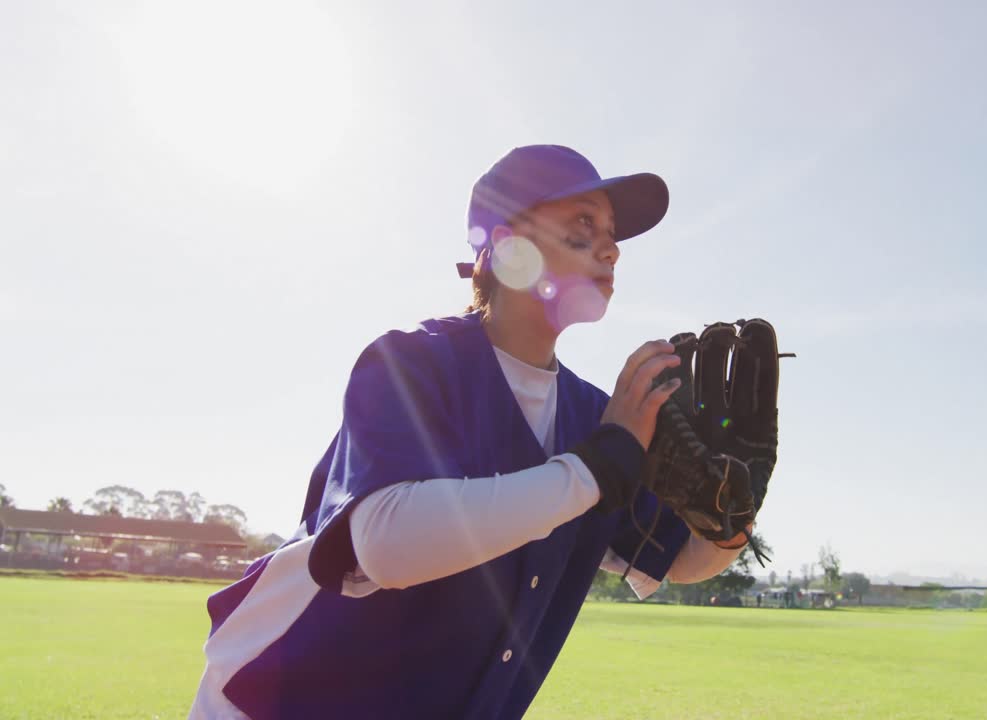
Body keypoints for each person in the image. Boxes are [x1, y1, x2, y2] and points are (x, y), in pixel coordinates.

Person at [190, 145, 750, 719]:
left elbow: (679, 559)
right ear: (508, 248)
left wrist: (734, 512)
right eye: (584, 223)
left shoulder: (596, 417)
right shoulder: (412, 362)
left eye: (611, 233)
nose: (611, 248)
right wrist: (597, 468)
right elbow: (384, 544)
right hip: (274, 701)